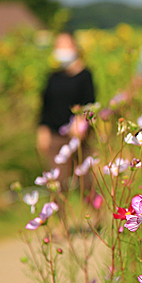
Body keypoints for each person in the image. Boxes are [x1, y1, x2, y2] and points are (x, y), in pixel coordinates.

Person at [37, 32, 96, 191]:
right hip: (56, 134)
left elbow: (89, 104)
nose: (61, 50)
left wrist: (82, 122)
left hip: (79, 136)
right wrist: (43, 129)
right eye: (58, 46)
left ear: (75, 47)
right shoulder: (53, 77)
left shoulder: (85, 76)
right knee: (58, 182)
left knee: (86, 180)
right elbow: (45, 105)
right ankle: (59, 214)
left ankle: (94, 212)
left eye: (65, 45)